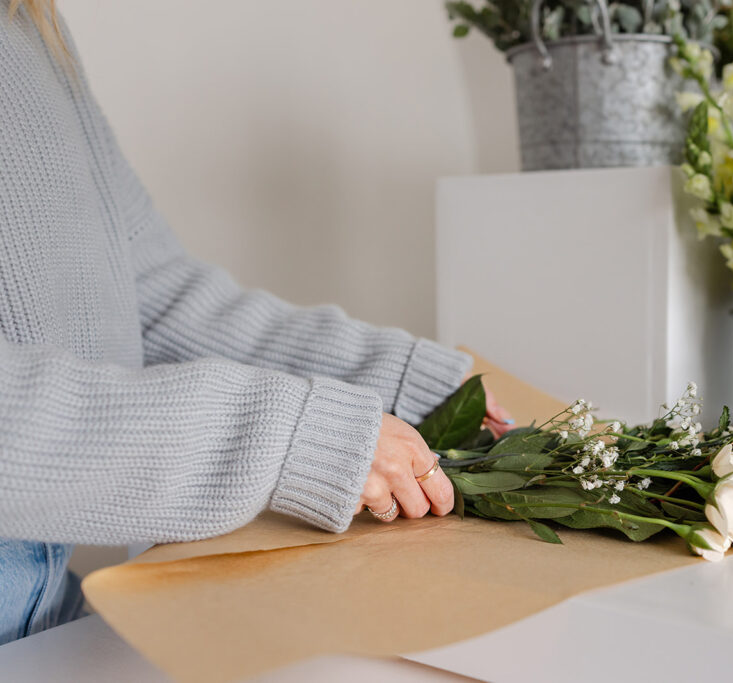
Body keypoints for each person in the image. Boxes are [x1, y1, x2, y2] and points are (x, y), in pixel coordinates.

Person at [0, 0, 513, 645]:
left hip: (44, 619)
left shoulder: (27, 25)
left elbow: (151, 292)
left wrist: (405, 386)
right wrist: (283, 436)